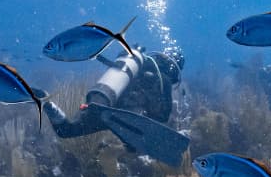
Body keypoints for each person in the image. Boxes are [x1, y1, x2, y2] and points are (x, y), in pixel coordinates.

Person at [47, 48, 190, 164]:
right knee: (135, 133)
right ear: (174, 70)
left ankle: (48, 105)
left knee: (66, 130)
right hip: (124, 116)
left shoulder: (135, 67)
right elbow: (162, 116)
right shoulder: (163, 79)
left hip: (102, 102)